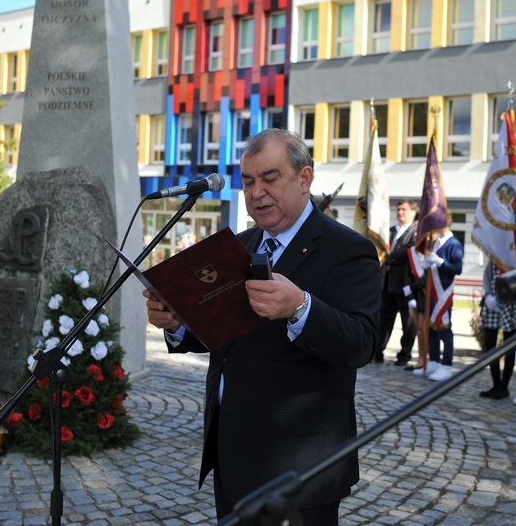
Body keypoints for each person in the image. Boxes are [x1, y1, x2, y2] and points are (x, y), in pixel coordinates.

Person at [143, 129, 380, 525]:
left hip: (300, 465)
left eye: (270, 178)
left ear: (304, 179)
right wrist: (179, 325)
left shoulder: (347, 249)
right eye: (248, 182)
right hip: (233, 452)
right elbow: (225, 333)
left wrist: (299, 307)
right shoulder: (241, 244)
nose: (257, 193)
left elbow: (362, 343)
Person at [420, 210, 463, 382]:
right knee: (432, 327)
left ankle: (447, 364)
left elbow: (457, 268)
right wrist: (426, 262)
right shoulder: (436, 242)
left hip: (444, 291)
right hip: (433, 291)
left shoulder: (454, 244)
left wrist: (438, 260)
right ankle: (435, 360)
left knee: (444, 328)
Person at [376, 200, 417, 365]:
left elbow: (407, 252)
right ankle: (377, 352)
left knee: (408, 323)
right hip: (387, 284)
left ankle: (404, 355)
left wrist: (387, 257)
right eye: (398, 209)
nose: (400, 213)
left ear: (413, 212)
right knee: (383, 321)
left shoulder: (416, 232)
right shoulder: (391, 231)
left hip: (406, 284)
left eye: (404, 210)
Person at [478, 259, 516, 399]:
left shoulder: (511, 254)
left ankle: (504, 387)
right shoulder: (493, 253)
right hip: (492, 303)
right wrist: (489, 295)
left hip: (509, 301)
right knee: (490, 345)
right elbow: (487, 275)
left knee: (509, 346)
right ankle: (496, 384)